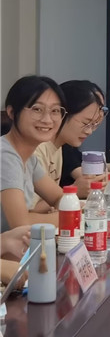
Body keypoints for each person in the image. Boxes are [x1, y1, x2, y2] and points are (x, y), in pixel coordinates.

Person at [33, 80, 110, 200]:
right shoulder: (38, 150)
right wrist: (74, 191)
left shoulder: (58, 147)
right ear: (62, 113)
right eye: (86, 123)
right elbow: (33, 208)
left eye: (94, 124)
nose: (89, 131)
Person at [1, 76, 65, 232]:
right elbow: (20, 223)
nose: (47, 120)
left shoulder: (29, 159)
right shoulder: (5, 156)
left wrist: (68, 210)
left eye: (55, 111)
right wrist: (69, 215)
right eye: (37, 109)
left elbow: (60, 197)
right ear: (12, 112)